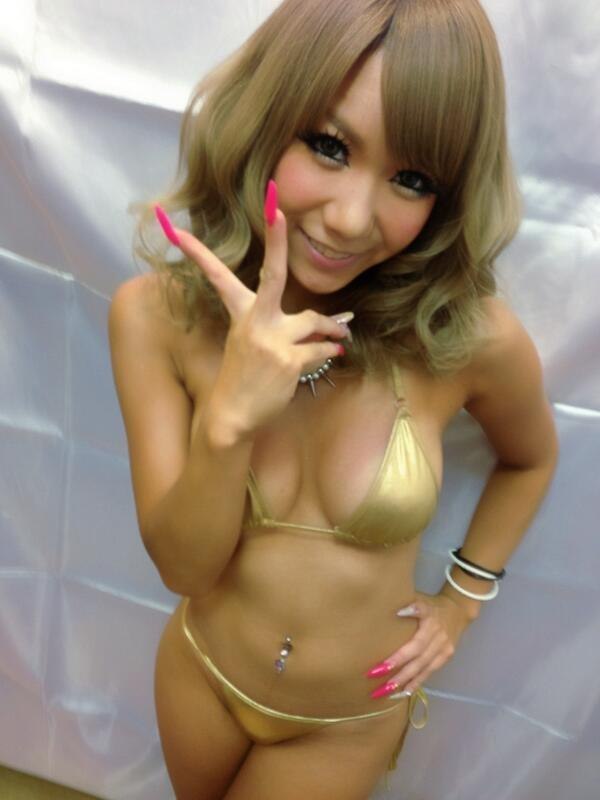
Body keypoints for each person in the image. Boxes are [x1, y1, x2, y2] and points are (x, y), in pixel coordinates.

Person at [108, 1, 559, 797]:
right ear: (266, 118)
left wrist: (460, 604)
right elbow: (183, 568)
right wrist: (230, 420)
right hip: (202, 678)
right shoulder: (156, 317)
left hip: (344, 723)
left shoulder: (466, 339)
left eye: (412, 180)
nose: (351, 219)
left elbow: (531, 459)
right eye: (329, 145)